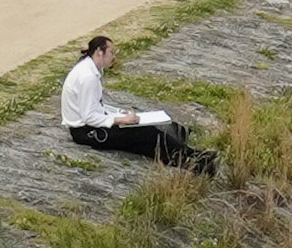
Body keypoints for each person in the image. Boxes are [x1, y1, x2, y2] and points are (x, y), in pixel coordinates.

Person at [59, 31, 215, 170]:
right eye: (111, 52)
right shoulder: (88, 77)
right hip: (86, 132)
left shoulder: (89, 69)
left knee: (142, 140)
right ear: (99, 52)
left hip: (89, 127)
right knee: (146, 133)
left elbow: (95, 105)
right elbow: (89, 116)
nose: (114, 57)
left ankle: (192, 162)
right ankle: (193, 156)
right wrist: (122, 120)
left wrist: (118, 113)